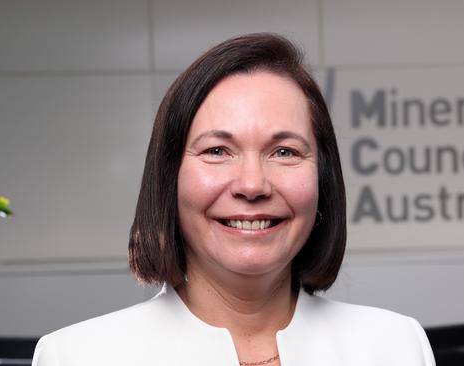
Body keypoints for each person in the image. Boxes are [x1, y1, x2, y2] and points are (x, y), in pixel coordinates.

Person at [31, 33, 435, 366]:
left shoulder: (396, 347)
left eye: (284, 152)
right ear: (168, 177)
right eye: (217, 151)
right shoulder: (76, 356)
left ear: (323, 180)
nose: (252, 184)